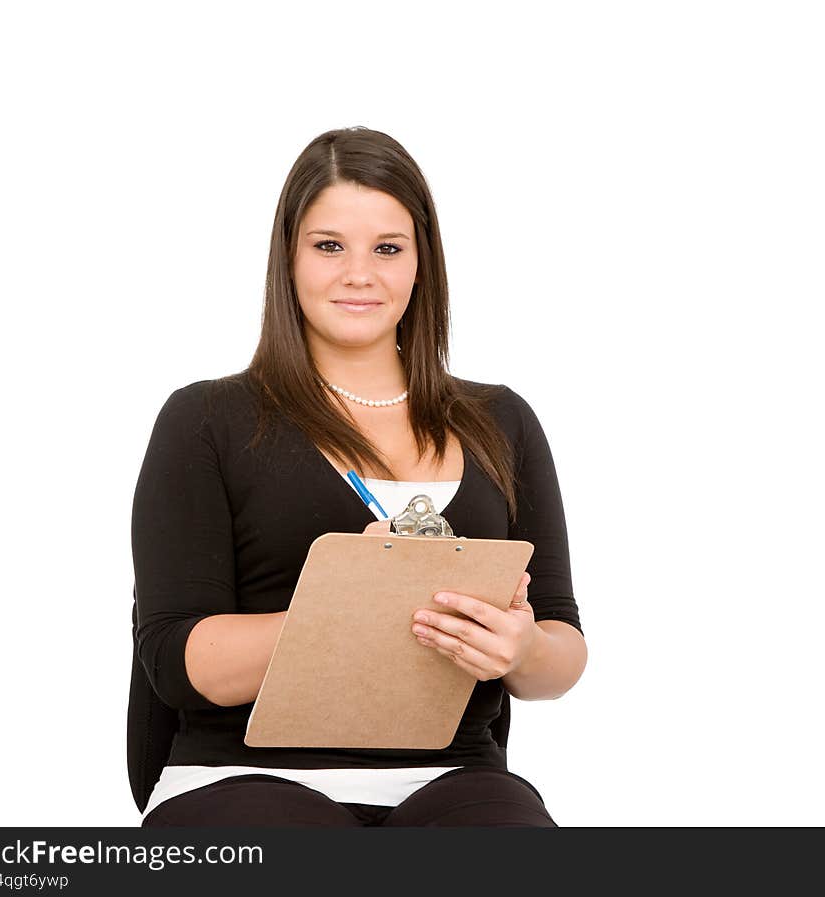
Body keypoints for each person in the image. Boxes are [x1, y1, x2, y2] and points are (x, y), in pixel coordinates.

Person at [131, 126, 587, 827]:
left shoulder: (503, 423)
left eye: (388, 248)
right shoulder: (206, 419)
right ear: (288, 256)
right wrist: (340, 607)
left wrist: (519, 647)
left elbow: (561, 647)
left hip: (452, 775)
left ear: (420, 262)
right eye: (329, 246)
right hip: (242, 775)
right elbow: (173, 658)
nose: (359, 274)